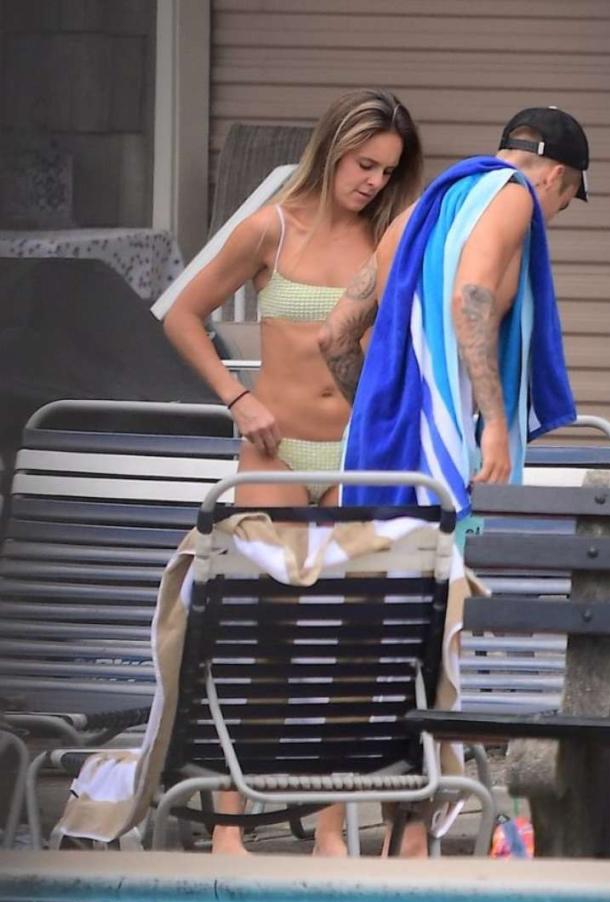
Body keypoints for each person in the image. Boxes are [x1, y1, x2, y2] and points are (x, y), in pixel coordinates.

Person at [163, 88, 423, 856]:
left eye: (387, 171)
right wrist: (237, 397)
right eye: (364, 163)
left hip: (352, 456)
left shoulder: (389, 238)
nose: (373, 181)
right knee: (257, 637)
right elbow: (181, 314)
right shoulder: (270, 228)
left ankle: (331, 828)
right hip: (273, 456)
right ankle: (231, 825)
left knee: (347, 644)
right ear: (332, 148)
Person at [318, 105, 589, 518]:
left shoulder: (419, 214)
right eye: (561, 206)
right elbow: (468, 300)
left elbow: (334, 335)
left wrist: (386, 415)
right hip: (436, 450)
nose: (547, 220)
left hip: (375, 446)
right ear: (553, 177)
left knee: (382, 561)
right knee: (447, 561)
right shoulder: (514, 195)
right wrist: (495, 425)